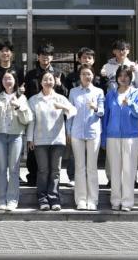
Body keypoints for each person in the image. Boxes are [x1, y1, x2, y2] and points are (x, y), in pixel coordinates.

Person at [27, 70, 76, 211]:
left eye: (50, 79)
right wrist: (30, 139)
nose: (48, 82)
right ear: (41, 82)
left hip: (57, 140)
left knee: (55, 171)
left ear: (54, 82)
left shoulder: (60, 98)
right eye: (45, 79)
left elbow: (73, 111)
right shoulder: (34, 99)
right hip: (40, 140)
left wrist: (63, 107)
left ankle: (54, 198)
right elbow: (31, 120)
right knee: (43, 170)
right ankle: (42, 199)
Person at [101, 65, 138, 212]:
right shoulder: (110, 95)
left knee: (129, 170)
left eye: (126, 76)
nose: (123, 78)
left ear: (130, 77)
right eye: (120, 76)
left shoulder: (137, 93)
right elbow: (106, 117)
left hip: (131, 136)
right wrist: (103, 137)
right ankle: (115, 200)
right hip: (112, 136)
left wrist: (130, 104)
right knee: (114, 170)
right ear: (117, 78)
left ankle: (127, 202)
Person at [23, 43, 68, 186]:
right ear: (38, 57)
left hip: (53, 118)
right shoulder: (30, 74)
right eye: (42, 55)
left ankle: (51, 182)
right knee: (33, 148)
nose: (45, 57)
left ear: (52, 57)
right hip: (35, 114)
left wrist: (59, 85)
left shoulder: (59, 74)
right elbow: (26, 94)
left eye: (48, 55)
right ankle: (33, 178)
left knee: (52, 155)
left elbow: (66, 95)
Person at [0, 69, 32, 211]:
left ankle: (12, 200)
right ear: (2, 81)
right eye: (5, 79)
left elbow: (27, 120)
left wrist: (18, 107)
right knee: (1, 169)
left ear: (15, 81)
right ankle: (1, 199)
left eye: (10, 78)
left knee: (14, 169)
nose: (7, 81)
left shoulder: (22, 98)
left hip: (16, 136)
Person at [63, 47, 107, 186]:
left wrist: (96, 108)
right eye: (84, 57)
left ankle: (91, 187)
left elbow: (102, 108)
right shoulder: (72, 83)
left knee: (91, 162)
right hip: (76, 128)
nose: (86, 60)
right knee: (76, 159)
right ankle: (74, 179)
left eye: (89, 57)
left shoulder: (99, 83)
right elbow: (69, 108)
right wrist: (68, 130)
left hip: (92, 128)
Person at [67, 64, 105, 211]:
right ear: (79, 76)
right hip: (76, 132)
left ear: (93, 76)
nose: (86, 76)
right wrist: (68, 131)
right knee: (79, 167)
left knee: (92, 167)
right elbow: (70, 113)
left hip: (93, 132)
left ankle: (93, 199)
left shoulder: (99, 91)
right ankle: (81, 200)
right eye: (83, 74)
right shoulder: (73, 92)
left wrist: (95, 108)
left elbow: (102, 112)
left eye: (89, 74)